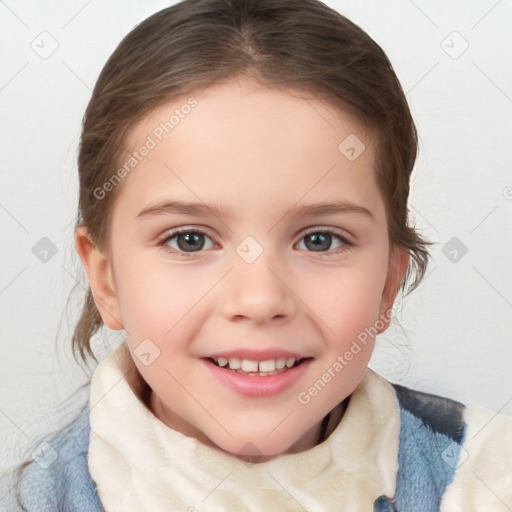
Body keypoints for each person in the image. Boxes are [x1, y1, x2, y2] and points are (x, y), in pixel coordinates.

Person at [2, 0, 511, 510]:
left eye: (320, 239)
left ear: (386, 284)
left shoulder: (486, 480)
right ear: (106, 280)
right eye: (190, 239)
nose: (260, 299)